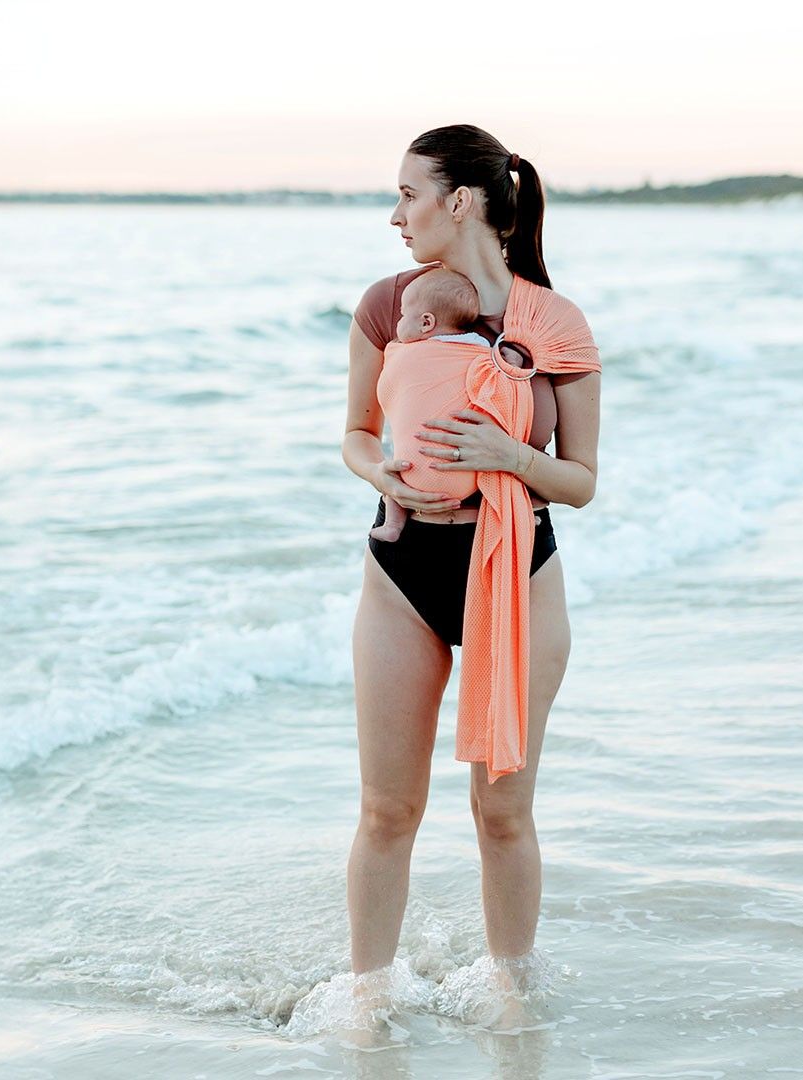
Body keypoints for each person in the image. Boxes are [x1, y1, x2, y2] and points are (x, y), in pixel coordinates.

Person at [342, 124, 601, 985]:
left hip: (517, 572)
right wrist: (378, 470)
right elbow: (355, 433)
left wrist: (511, 457)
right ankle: (367, 1004)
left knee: (501, 811)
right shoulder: (391, 305)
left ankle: (512, 1003)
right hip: (401, 571)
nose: (395, 215)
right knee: (387, 808)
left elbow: (581, 481)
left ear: (460, 202)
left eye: (408, 194)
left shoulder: (552, 323)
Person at [367, 266, 492, 544]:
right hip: (468, 482)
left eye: (402, 315)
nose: (398, 323)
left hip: (412, 474)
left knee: (395, 474)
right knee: (496, 475)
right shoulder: (479, 349)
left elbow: (387, 388)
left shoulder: (405, 351)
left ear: (426, 323)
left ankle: (393, 525)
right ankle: (512, 515)